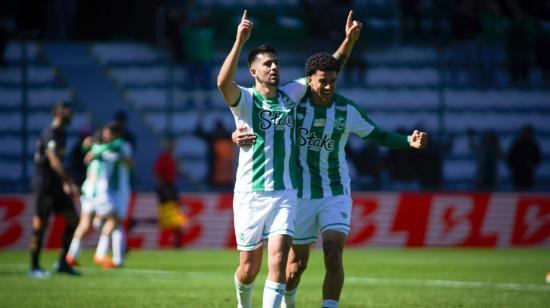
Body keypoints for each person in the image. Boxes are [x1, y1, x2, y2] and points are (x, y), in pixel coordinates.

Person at [235, 53, 427, 308]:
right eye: (323, 81)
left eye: (333, 81)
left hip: (334, 192)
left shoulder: (346, 110)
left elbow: (378, 136)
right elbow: (262, 124)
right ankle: (288, 302)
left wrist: (407, 141)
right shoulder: (292, 104)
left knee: (333, 254)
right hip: (299, 194)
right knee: (295, 267)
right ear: (309, 82)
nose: (328, 86)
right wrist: (236, 135)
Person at [217, 9, 362, 308]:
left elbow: (326, 69)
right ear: (253, 71)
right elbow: (222, 83)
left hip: (286, 193)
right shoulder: (244, 100)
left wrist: (348, 41)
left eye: (276, 63)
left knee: (279, 260)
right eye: (267, 64)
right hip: (250, 194)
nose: (274, 68)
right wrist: (239, 42)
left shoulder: (290, 95)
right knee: (248, 269)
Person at [29, 101, 80, 278]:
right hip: (45, 184)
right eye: (69, 111)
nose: (72, 114)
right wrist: (69, 181)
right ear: (60, 113)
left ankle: (62, 262)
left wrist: (64, 182)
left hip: (57, 184)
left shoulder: (62, 134)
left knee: (74, 219)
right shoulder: (49, 133)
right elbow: (54, 160)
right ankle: (34, 267)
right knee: (40, 224)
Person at [66, 124, 126, 268]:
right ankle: (100, 253)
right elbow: (119, 145)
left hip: (87, 192)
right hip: (100, 193)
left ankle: (71, 255)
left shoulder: (92, 151)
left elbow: (85, 148)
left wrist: (89, 145)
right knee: (114, 219)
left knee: (84, 223)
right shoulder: (108, 152)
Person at [153, 135, 188, 248]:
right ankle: (177, 243)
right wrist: (163, 188)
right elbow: (157, 173)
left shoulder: (171, 158)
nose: (172, 146)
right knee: (172, 218)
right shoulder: (163, 158)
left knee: (173, 218)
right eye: (170, 143)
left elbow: (174, 173)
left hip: (171, 188)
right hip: (166, 189)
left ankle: (177, 243)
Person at [506, 125, 541, 191]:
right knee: (517, 190)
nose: (527, 134)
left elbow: (538, 158)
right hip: (517, 173)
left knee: (528, 191)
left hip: (528, 174)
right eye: (526, 132)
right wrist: (514, 167)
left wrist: (531, 164)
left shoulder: (533, 145)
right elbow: (510, 158)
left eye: (529, 133)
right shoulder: (517, 144)